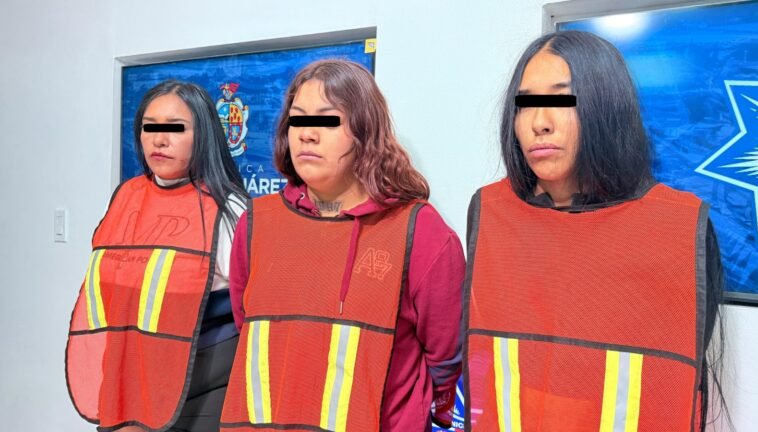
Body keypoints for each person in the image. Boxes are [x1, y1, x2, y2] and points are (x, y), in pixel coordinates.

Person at [462, 31, 728, 431]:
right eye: (525, 103)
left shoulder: (677, 228)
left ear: (606, 106)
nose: (539, 122)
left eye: (562, 99)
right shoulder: (491, 212)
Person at [219, 59, 465, 432]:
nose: (307, 134)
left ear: (365, 131)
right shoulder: (256, 223)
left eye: (328, 120)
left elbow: (446, 361)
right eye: (297, 119)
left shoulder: (420, 231)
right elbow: (248, 329)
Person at [66, 80, 249, 431]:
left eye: (175, 128)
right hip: (127, 378)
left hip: (203, 387)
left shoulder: (229, 210)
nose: (159, 140)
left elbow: (250, 313)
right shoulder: (125, 197)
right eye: (149, 127)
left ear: (204, 134)